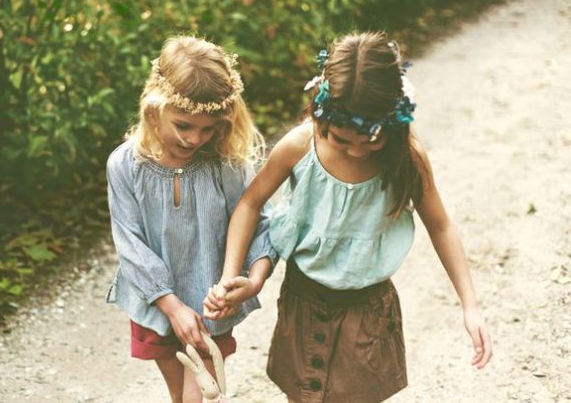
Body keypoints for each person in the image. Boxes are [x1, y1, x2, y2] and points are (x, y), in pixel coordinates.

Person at [204, 32, 493, 402]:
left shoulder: (407, 158)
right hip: (303, 299)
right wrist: (232, 275)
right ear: (320, 113)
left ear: (395, 120)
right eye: (342, 139)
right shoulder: (298, 146)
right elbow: (250, 203)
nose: (357, 151)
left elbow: (440, 225)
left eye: (372, 140)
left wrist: (470, 305)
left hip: (367, 310)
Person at [106, 36, 276, 403]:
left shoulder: (226, 165)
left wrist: (252, 279)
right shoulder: (125, 166)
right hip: (158, 304)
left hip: (211, 305)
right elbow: (129, 244)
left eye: (208, 128)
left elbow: (258, 224)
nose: (195, 138)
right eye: (183, 125)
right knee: (182, 397)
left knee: (202, 397)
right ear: (155, 108)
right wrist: (171, 306)